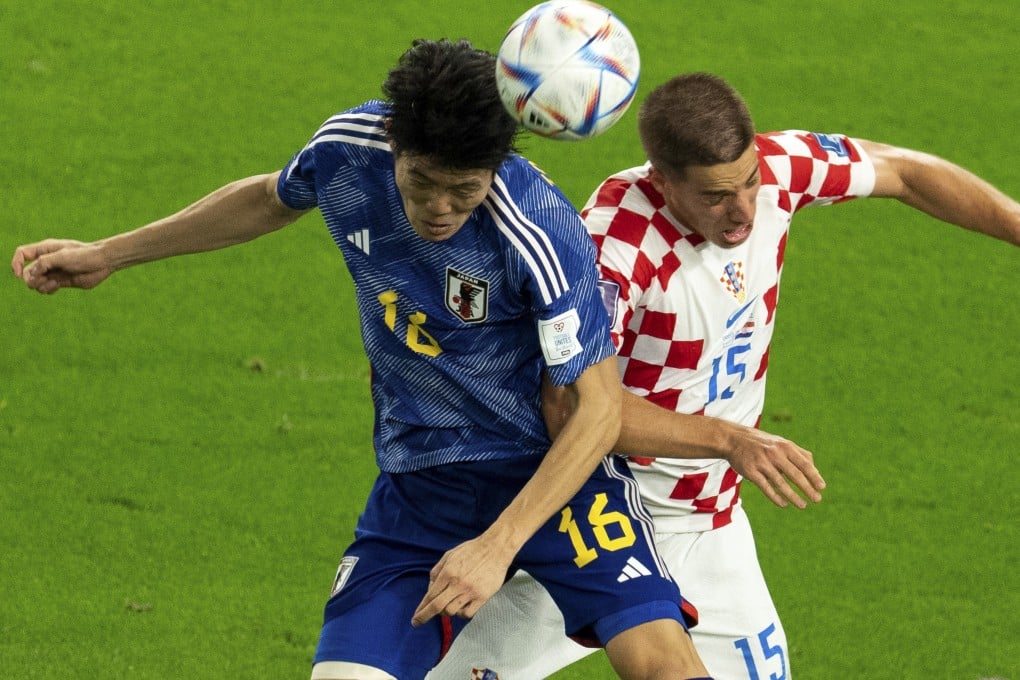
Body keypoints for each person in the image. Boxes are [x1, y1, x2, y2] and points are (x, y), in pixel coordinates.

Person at [10, 40, 723, 680]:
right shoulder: (348, 149)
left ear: (496, 169)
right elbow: (267, 199)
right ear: (394, 145)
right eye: (423, 184)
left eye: (465, 191)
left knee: (663, 667)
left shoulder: (539, 227)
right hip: (421, 485)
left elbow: (597, 408)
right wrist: (110, 254)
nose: (441, 208)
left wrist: (497, 546)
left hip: (553, 482)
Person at [429, 72, 1020, 679]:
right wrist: (728, 438)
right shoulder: (615, 247)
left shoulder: (779, 172)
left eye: (750, 181)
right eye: (714, 196)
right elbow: (572, 406)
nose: (743, 211)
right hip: (599, 523)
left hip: (710, 523)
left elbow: (903, 171)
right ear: (661, 181)